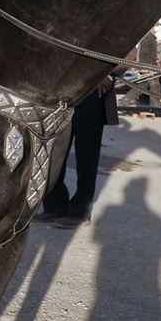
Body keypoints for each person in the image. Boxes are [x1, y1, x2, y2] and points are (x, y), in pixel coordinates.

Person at [35, 75, 119, 228]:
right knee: (54, 150)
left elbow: (128, 52)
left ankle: (80, 211)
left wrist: (109, 74)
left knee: (86, 152)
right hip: (61, 89)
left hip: (92, 89)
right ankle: (55, 206)